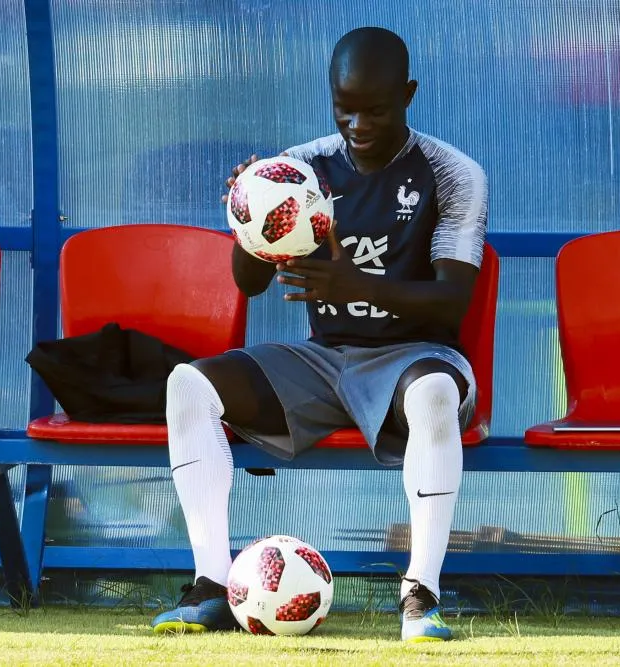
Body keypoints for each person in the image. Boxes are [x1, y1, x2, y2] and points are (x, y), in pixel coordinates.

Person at [151, 26, 487, 642]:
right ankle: (211, 587)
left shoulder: (451, 172)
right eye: (344, 108)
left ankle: (421, 596)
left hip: (417, 358)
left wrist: (354, 283)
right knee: (188, 385)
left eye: (375, 110)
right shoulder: (302, 168)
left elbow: (450, 304)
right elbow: (249, 282)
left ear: (408, 94)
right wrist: (251, 215)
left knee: (435, 393)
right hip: (324, 359)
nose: (358, 124)